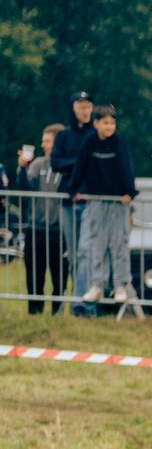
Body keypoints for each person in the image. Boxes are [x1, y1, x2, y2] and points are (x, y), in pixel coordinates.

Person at [66, 103, 138, 306]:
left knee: (118, 243)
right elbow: (80, 166)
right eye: (105, 123)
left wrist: (128, 192)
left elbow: (126, 167)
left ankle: (120, 284)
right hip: (97, 200)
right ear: (96, 124)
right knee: (97, 244)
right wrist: (74, 190)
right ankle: (97, 284)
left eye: (112, 123)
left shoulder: (118, 143)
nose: (109, 127)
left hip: (117, 201)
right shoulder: (89, 142)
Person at [53, 91, 94, 312]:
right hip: (69, 200)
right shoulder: (63, 136)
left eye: (88, 107)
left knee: (86, 251)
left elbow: (94, 164)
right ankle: (79, 295)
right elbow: (56, 163)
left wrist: (77, 164)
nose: (85, 111)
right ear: (73, 109)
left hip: (88, 199)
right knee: (74, 252)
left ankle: (82, 302)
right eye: (81, 107)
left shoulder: (94, 134)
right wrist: (79, 162)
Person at [19, 124, 67, 314]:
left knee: (59, 275)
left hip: (59, 230)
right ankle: (35, 311)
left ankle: (58, 311)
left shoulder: (66, 165)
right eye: (43, 141)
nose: (43, 144)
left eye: (47, 141)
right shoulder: (38, 163)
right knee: (34, 274)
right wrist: (22, 168)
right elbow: (24, 187)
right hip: (35, 228)